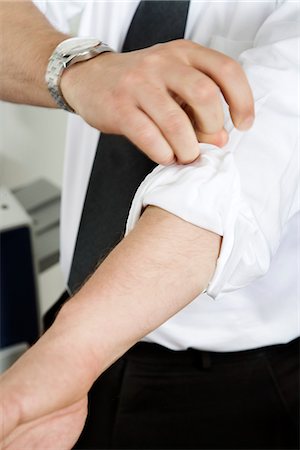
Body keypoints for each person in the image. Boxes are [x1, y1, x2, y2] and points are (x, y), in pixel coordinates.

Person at [0, 1, 299, 449]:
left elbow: (231, 189)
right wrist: (76, 68)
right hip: (71, 335)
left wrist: (70, 353)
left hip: (235, 388)